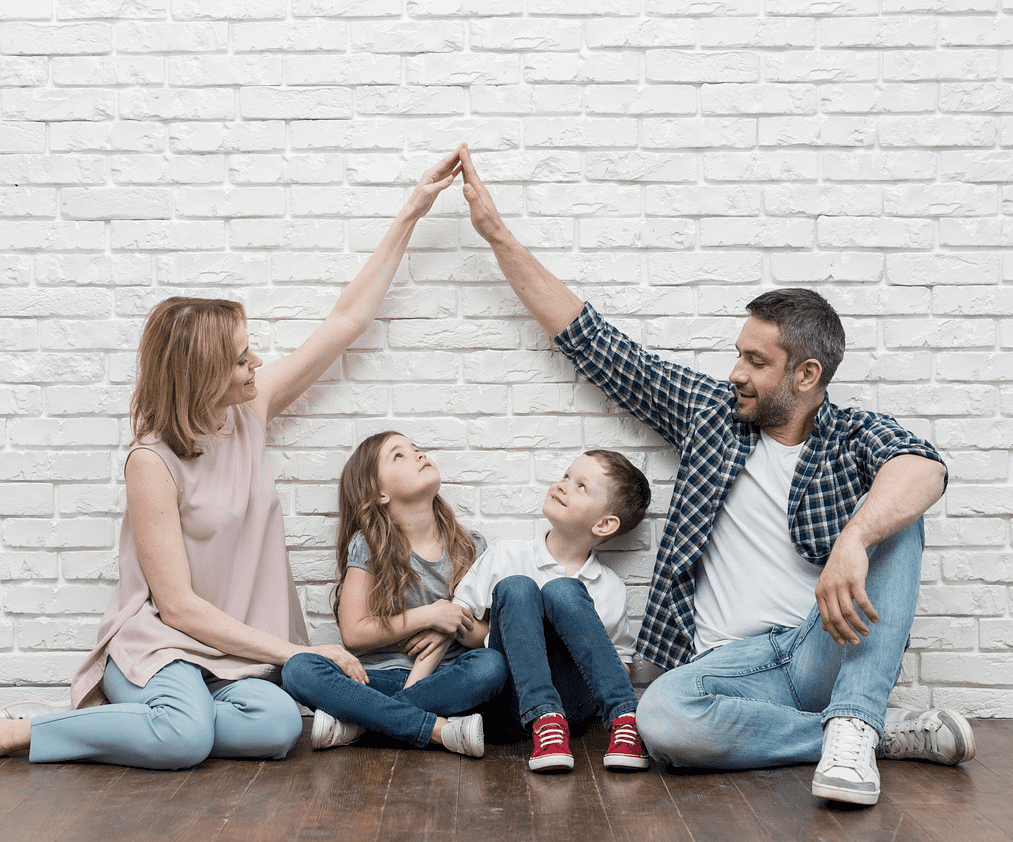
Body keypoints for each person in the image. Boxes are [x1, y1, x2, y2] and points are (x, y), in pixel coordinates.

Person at [457, 145, 975, 806]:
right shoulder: (711, 415)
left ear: (806, 375)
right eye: (738, 355)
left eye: (756, 361)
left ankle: (852, 719)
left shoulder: (851, 436)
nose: (736, 373)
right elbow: (598, 344)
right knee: (662, 720)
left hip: (819, 647)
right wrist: (496, 235)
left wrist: (854, 539)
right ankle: (868, 732)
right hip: (725, 669)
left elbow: (924, 468)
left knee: (900, 517)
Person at [0, 148, 465, 771]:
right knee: (185, 739)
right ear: (202, 374)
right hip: (164, 645)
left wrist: (412, 211)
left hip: (236, 653)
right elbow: (178, 607)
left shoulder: (249, 412)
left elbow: (346, 320)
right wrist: (297, 653)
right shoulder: (151, 462)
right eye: (240, 358)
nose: (256, 363)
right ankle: (17, 732)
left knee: (276, 729)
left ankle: (159, 722)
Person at [279, 432, 507, 757]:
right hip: (376, 680)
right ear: (379, 493)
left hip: (444, 680)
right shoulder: (368, 545)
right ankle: (436, 729)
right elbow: (354, 634)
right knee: (298, 669)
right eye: (399, 455)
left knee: (491, 666)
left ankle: (363, 725)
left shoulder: (471, 546)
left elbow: (487, 636)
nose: (419, 455)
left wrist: (455, 622)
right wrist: (430, 615)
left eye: (417, 449)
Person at [452, 450, 652, 774]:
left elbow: (622, 663)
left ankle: (624, 719)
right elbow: (459, 619)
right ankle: (544, 718)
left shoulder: (609, 587)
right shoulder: (506, 555)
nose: (562, 485)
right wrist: (513, 634)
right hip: (510, 703)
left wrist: (579, 646)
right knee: (518, 587)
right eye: (566, 476)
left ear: (604, 524)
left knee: (563, 591)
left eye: (581, 486)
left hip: (573, 707)